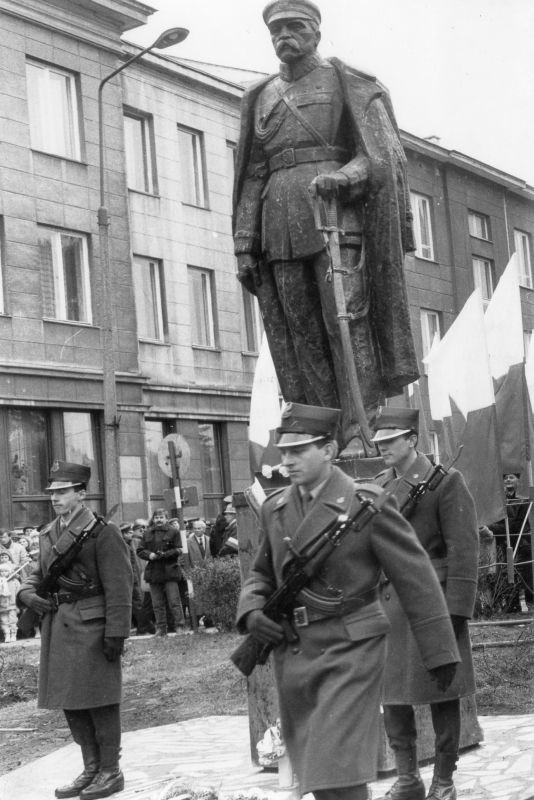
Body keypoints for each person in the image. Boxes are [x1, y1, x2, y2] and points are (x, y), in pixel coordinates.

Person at [237, 402, 460, 800]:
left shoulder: (367, 505)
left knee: (335, 772)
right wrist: (252, 609)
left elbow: (417, 578)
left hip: (351, 647)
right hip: (296, 652)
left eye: (299, 450)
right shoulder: (276, 508)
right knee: (321, 777)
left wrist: (439, 650)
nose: (287, 461)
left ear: (328, 449)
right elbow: (261, 573)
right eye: (284, 452)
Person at [232, 0, 418, 455]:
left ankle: (360, 429)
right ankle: (319, 431)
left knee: (347, 325)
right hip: (278, 227)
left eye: (295, 26)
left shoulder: (347, 83)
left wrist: (344, 177)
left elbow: (380, 156)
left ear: (316, 32)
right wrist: (244, 242)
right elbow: (254, 172)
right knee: (300, 334)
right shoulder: (260, 96)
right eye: (276, 29)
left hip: (336, 223)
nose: (284, 36)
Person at [372, 407, 479, 800]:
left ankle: (445, 779)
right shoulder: (380, 486)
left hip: (433, 606)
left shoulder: (444, 482)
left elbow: (464, 549)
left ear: (412, 440)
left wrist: (456, 611)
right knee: (393, 697)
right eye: (379, 441)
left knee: (442, 691)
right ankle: (407, 778)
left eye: (390, 440)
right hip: (387, 607)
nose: (381, 446)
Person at [17, 460, 133, 799]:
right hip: (58, 624)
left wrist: (117, 633)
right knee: (72, 701)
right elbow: (37, 575)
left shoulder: (101, 531)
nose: (55, 498)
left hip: (93, 627)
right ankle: (91, 768)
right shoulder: (49, 531)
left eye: (63, 491)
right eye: (53, 492)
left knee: (100, 700)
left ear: (81, 494)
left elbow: (120, 585)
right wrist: (27, 594)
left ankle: (111, 771)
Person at [136, 508, 186, 636]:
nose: (159, 520)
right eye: (156, 517)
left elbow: (179, 550)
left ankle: (179, 626)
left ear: (166, 518)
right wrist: (150, 555)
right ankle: (161, 629)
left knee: (174, 601)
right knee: (157, 603)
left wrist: (165, 554)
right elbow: (140, 550)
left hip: (170, 569)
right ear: (153, 519)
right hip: (154, 571)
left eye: (161, 517)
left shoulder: (174, 531)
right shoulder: (147, 533)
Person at [487, 472, 532, 612]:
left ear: (518, 481)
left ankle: (523, 604)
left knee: (521, 574)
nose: (508, 480)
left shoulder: (522, 502)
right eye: (505, 478)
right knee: (501, 573)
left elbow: (515, 526)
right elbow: (495, 519)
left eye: (511, 477)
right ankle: (506, 604)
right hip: (503, 542)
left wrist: (490, 527)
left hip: (520, 542)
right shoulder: (498, 502)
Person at [0, 560, 20, 643]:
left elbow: (19, 593)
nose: (3, 573)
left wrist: (19, 604)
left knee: (13, 620)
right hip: (2, 605)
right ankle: (7, 635)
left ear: (9, 572)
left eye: (5, 571)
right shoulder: (0, 582)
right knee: (4, 621)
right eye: (1, 571)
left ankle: (13, 634)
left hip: (12, 604)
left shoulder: (14, 581)